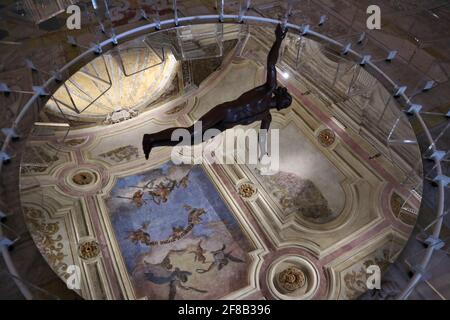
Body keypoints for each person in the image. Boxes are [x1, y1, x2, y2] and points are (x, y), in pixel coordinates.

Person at [142, 23, 292, 160]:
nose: (284, 105)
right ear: (280, 96)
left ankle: (153, 143)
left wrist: (263, 153)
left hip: (225, 125)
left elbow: (263, 137)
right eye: (286, 101)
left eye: (286, 104)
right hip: (224, 112)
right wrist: (278, 39)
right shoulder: (267, 90)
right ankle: (150, 137)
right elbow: (271, 64)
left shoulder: (266, 117)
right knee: (191, 132)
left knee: (192, 141)